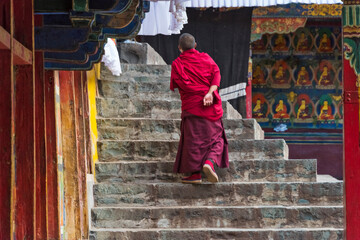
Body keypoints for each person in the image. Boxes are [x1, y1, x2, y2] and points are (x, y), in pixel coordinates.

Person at [170, 33, 229, 184]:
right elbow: (216, 74)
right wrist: (210, 93)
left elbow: (181, 85)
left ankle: (195, 174)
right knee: (217, 138)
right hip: (210, 106)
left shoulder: (177, 64)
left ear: (179, 48)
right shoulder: (206, 58)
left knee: (193, 141)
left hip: (191, 107)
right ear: (195, 45)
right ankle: (209, 162)